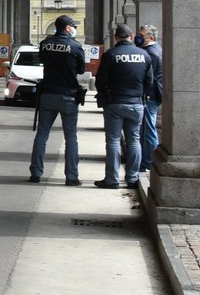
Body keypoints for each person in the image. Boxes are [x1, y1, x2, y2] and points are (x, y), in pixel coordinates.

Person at [28, 15, 87, 184]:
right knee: (71, 137)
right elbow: (81, 70)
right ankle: (71, 176)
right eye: (73, 26)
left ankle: (36, 173)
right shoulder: (75, 46)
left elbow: (42, 60)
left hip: (48, 94)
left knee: (42, 134)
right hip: (69, 95)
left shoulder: (45, 44)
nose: (74, 28)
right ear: (68, 28)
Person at [95, 23, 153, 189]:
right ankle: (132, 178)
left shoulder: (110, 54)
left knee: (113, 141)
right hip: (136, 104)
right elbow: (149, 82)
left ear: (116, 37)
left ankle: (112, 179)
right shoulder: (144, 55)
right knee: (134, 140)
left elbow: (100, 81)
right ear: (132, 37)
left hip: (115, 103)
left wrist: (106, 92)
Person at [135, 24, 164, 181]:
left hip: (150, 95)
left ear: (151, 38)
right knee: (147, 127)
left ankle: (148, 162)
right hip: (153, 94)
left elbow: (146, 76)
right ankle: (146, 160)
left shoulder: (151, 53)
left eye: (142, 35)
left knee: (148, 129)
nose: (138, 37)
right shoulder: (157, 49)